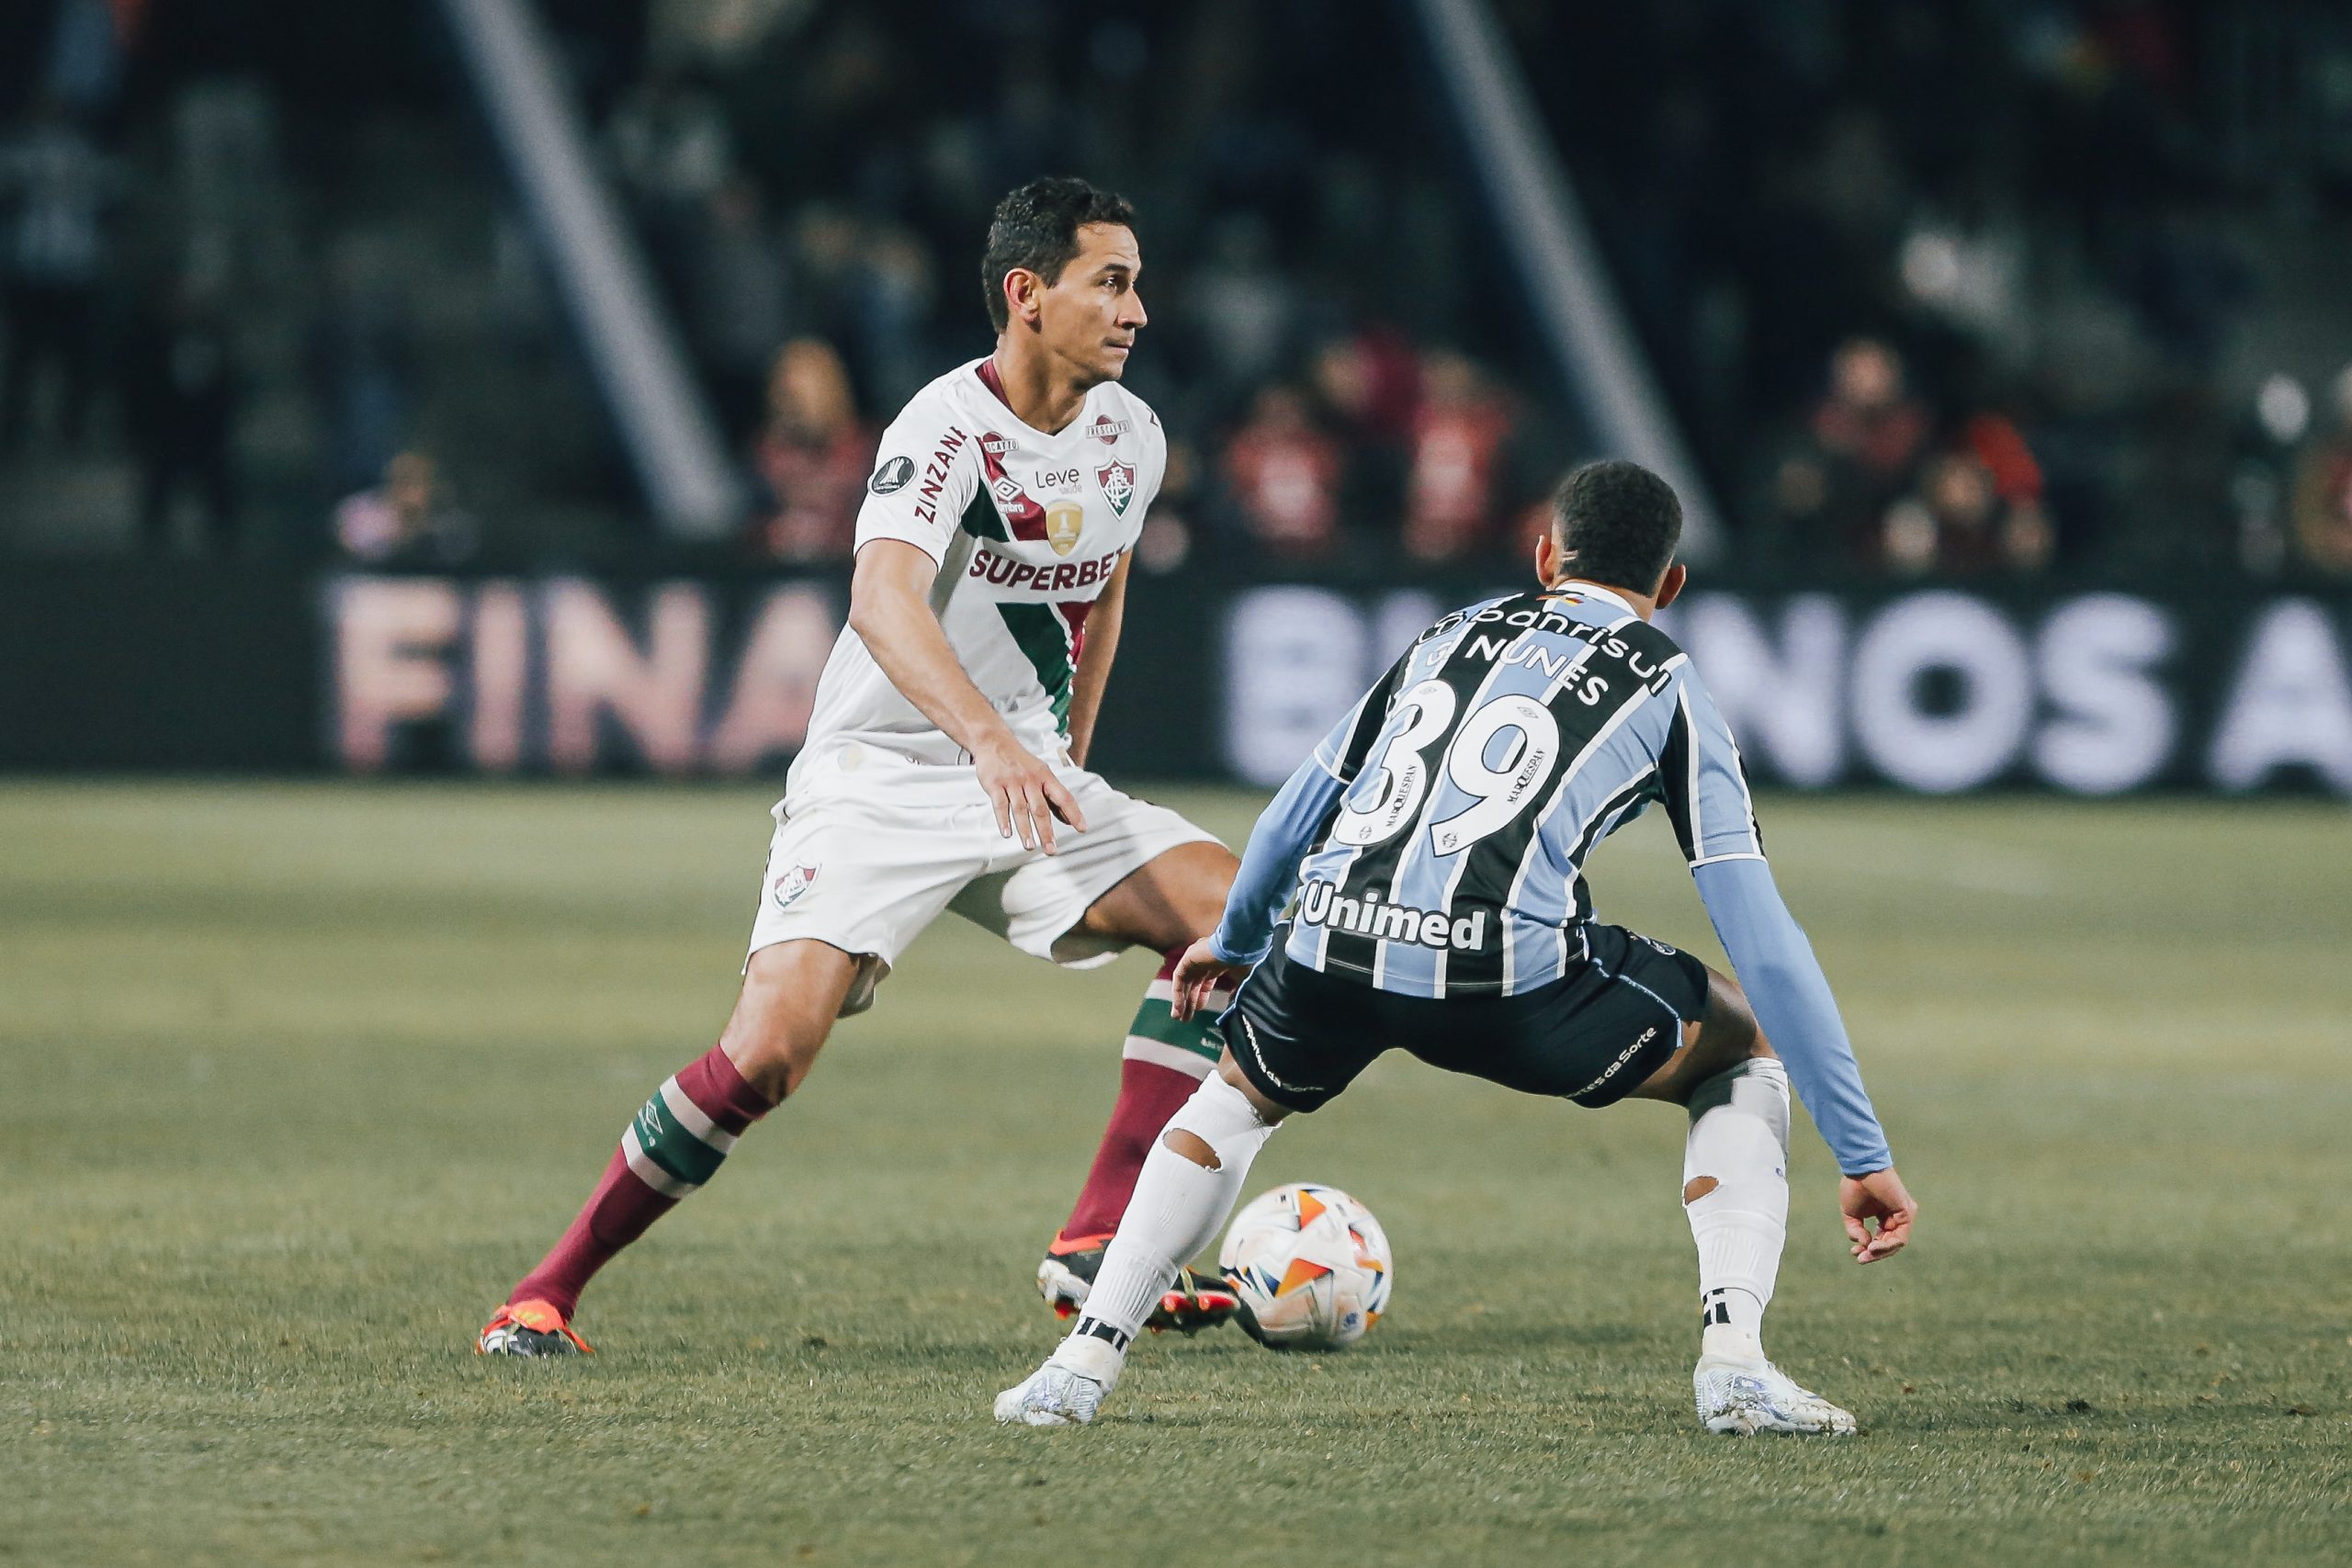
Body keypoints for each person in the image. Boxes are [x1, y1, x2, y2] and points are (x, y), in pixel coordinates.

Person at [479, 177, 1248, 1356]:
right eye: (1112, 281)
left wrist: (1065, 761)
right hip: (882, 775)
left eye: (1138, 282)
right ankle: (547, 1289)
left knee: (1242, 926)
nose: (1139, 309)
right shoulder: (942, 429)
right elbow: (882, 601)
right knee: (769, 1054)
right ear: (1026, 294)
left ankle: (1097, 1236)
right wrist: (986, 738)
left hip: (1027, 780)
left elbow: (1106, 595)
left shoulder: (1131, 437)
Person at [997, 459, 1918, 1434]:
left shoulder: (1448, 633)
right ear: (1671, 585)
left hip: (1331, 948)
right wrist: (1859, 1151)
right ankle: (1733, 1363)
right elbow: (1761, 937)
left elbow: (1291, 816)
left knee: (1232, 1093)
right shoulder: (1667, 681)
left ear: (1543, 555)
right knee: (1741, 1041)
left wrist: (1233, 941)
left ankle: (1077, 1366)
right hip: (1503, 982)